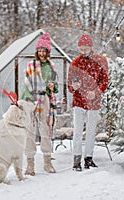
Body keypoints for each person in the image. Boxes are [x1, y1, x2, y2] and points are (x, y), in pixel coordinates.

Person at [67, 34, 109, 171]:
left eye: (85, 49)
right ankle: (76, 159)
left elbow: (104, 81)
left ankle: (88, 158)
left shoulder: (101, 61)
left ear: (91, 47)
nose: (83, 52)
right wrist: (74, 87)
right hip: (79, 102)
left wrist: (96, 92)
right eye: (81, 49)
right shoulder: (75, 63)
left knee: (91, 131)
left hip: (94, 102)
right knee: (78, 131)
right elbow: (69, 84)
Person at [21, 33, 58, 175]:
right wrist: (28, 99)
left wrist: (51, 86)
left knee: (45, 130)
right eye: (40, 51)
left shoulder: (51, 66)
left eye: (44, 51)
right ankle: (30, 165)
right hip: (30, 99)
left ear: (48, 52)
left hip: (45, 100)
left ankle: (47, 163)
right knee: (30, 131)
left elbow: (56, 86)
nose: (42, 53)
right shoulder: (31, 65)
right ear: (37, 52)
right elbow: (27, 84)